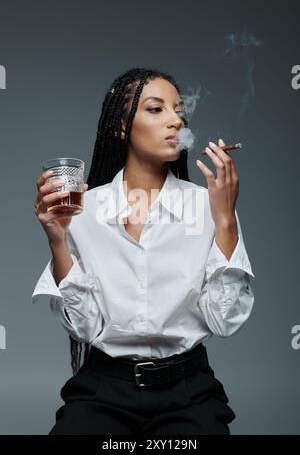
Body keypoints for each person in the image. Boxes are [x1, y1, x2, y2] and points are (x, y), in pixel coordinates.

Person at [32, 67, 255, 435]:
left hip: (190, 392)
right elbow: (86, 328)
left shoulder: (209, 205)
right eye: (156, 109)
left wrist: (226, 218)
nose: (176, 120)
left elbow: (224, 321)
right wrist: (57, 238)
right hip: (102, 390)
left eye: (179, 110)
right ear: (121, 128)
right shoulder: (82, 209)